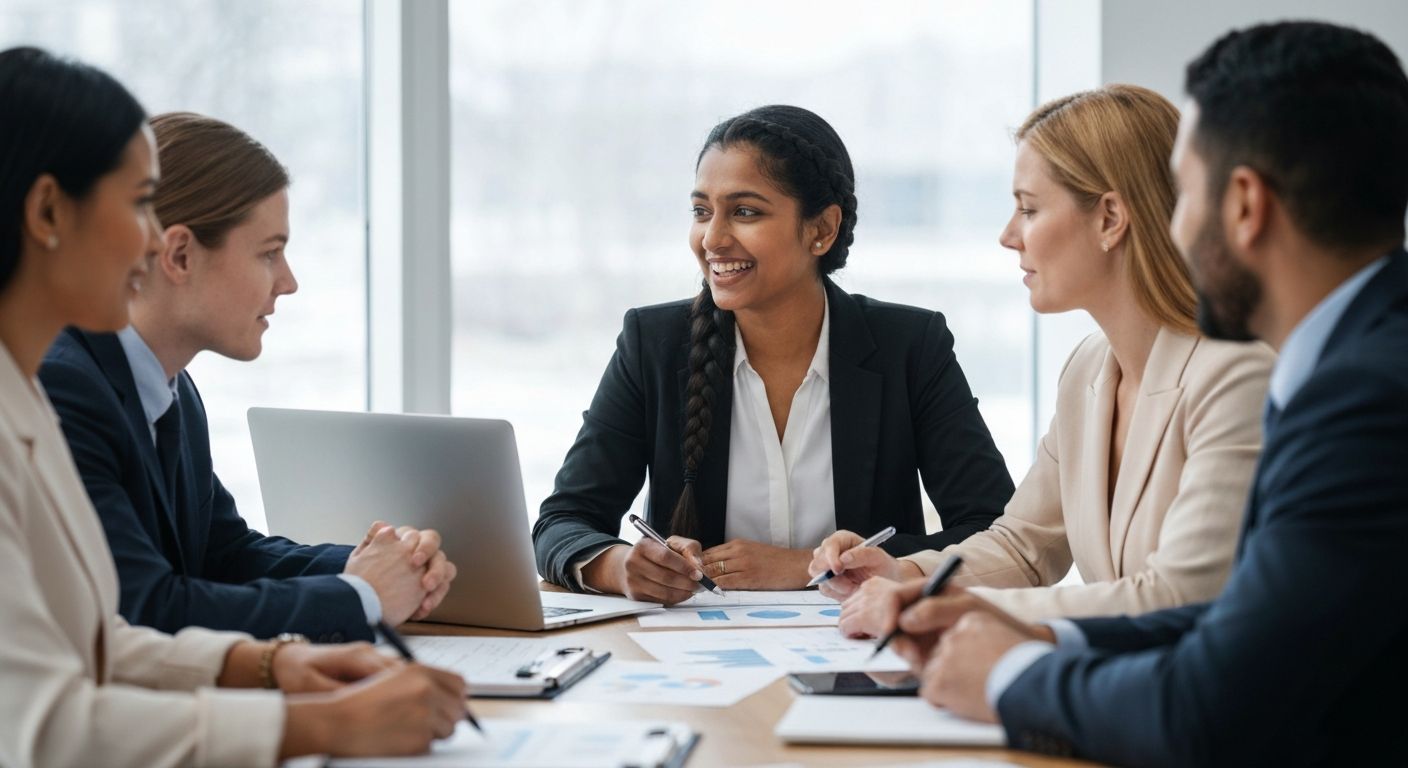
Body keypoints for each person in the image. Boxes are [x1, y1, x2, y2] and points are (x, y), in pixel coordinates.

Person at [878, 22, 1408, 766]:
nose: (1173, 224)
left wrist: (1006, 672)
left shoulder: (1358, 398)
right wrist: (979, 613)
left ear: (1245, 205)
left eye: (1184, 194)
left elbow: (1209, 692)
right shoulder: (1346, 367)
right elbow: (1233, 624)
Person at [0, 46, 466, 766]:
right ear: (48, 212)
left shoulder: (43, 392)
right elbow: (52, 712)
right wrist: (320, 720)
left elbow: (110, 635)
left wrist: (276, 660)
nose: (154, 240)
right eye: (137, 204)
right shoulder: (59, 389)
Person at [811, 85, 1274, 628]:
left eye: (1029, 209)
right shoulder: (1088, 369)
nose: (1009, 236)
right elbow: (1024, 546)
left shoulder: (1235, 375)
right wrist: (904, 574)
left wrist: (947, 606)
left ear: (1110, 218)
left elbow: (1178, 596)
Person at [533, 105, 1015, 603]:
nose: (712, 239)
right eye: (701, 211)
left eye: (745, 212)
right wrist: (619, 568)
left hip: (862, 635)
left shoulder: (910, 346)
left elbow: (997, 535)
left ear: (821, 229)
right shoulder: (653, 343)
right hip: (693, 642)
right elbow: (561, 522)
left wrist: (800, 567)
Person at [38, 111, 456, 642]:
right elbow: (145, 608)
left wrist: (383, 566)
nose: (289, 281)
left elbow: (225, 555)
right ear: (180, 255)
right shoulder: (62, 389)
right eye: (270, 253)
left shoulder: (170, 388)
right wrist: (363, 594)